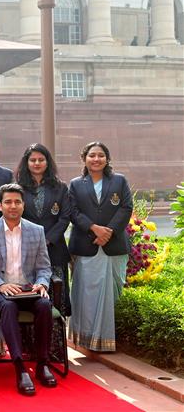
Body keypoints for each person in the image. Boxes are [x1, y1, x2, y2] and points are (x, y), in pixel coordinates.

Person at [0, 183, 56, 396]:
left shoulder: (36, 231)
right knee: (8, 307)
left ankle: (42, 364)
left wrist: (42, 283)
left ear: (23, 205)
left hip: (29, 289)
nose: (13, 206)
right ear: (0, 206)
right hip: (1, 292)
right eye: (8, 202)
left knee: (44, 304)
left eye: (17, 202)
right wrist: (0, 284)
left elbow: (44, 267)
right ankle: (20, 367)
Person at [68, 142, 132, 352]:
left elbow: (126, 207)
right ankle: (87, 340)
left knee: (114, 294)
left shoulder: (119, 181)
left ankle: (114, 339)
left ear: (107, 158)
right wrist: (94, 228)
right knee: (86, 295)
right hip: (86, 246)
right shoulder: (76, 184)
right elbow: (73, 211)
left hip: (114, 246)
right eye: (92, 155)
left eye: (101, 155)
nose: (96, 159)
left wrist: (109, 232)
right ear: (84, 158)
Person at [16, 143, 72, 315]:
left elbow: (65, 217)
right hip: (27, 249)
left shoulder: (60, 187)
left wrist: (47, 239)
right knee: (33, 296)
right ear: (26, 163)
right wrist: (35, 241)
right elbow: (14, 217)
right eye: (33, 160)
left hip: (55, 249)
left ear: (48, 162)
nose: (37, 163)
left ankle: (57, 339)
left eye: (41, 159)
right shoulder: (18, 188)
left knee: (57, 295)